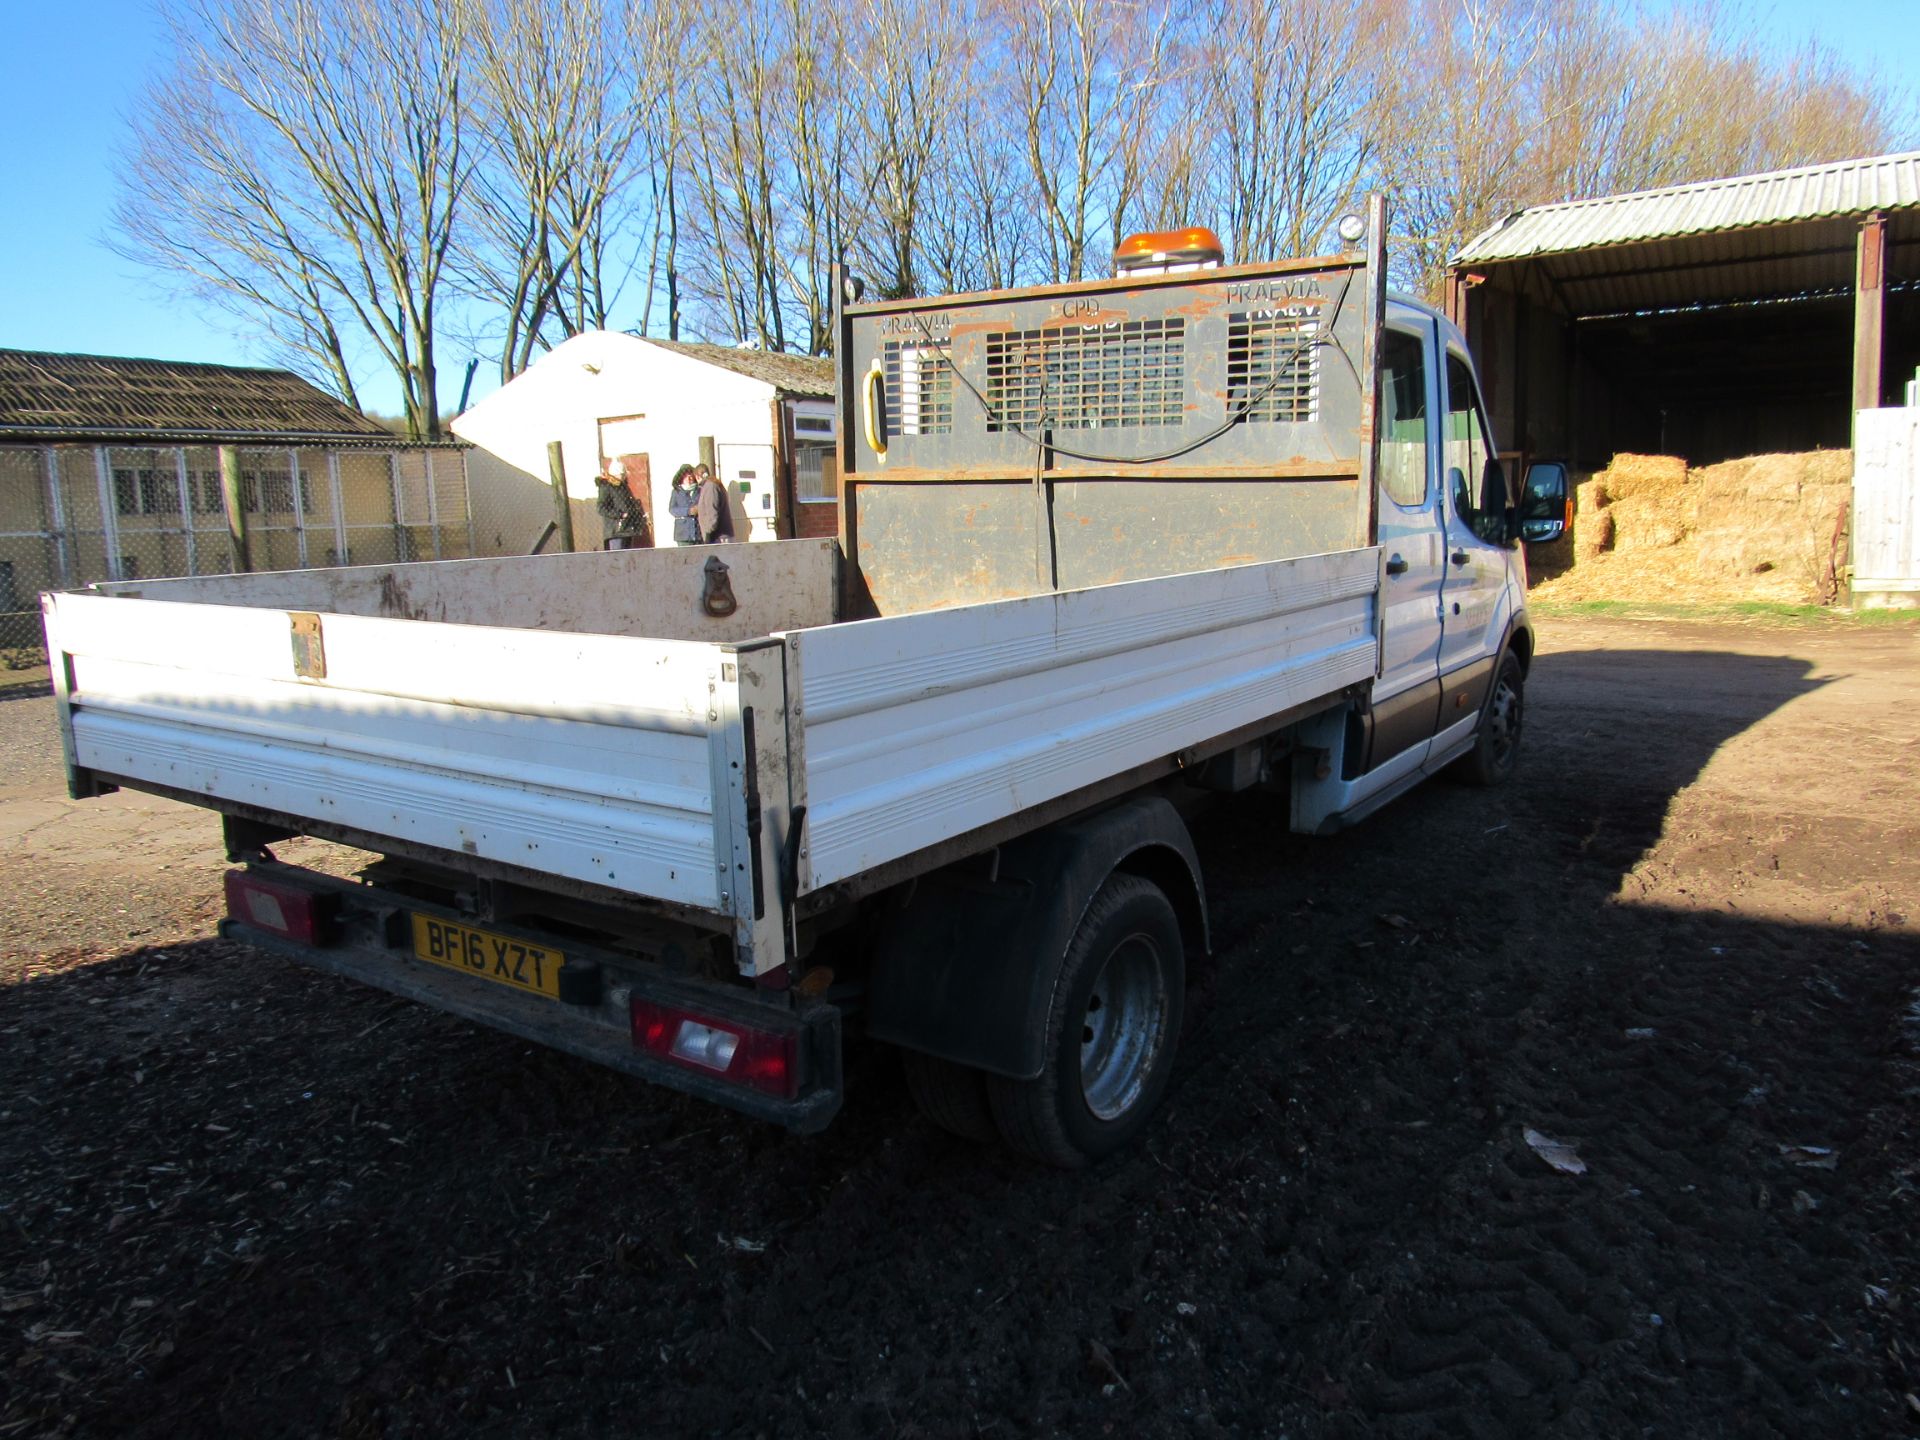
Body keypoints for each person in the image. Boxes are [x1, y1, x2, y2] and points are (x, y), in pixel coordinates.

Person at [693, 463, 733, 544]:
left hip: (717, 537)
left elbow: (712, 511)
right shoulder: (714, 484)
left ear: (697, 476)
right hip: (720, 535)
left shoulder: (710, 486)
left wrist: (708, 534)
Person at [667, 463, 700, 545]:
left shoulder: (700, 490)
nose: (689, 479)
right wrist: (688, 511)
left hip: (698, 532)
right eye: (686, 476)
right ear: (681, 478)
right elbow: (672, 509)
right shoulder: (676, 491)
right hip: (683, 533)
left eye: (691, 476)